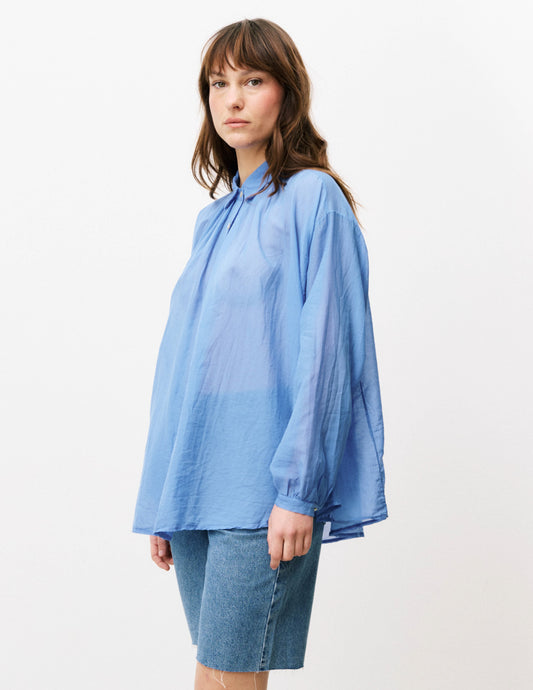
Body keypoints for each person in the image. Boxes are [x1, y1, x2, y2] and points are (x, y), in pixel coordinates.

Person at [132, 17, 388, 690]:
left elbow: (329, 355)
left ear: (287, 92)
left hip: (263, 488)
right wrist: (164, 495)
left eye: (252, 80)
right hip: (197, 483)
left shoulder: (313, 199)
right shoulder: (213, 220)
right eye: (218, 84)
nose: (232, 100)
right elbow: (186, 367)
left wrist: (298, 491)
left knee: (230, 678)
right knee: (214, 674)